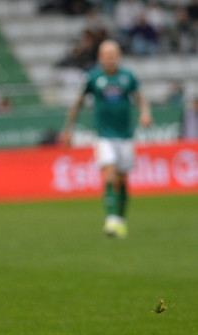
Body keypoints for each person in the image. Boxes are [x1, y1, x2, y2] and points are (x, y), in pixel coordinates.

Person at [60, 40, 152, 238]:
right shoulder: (93, 78)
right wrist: (68, 128)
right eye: (106, 54)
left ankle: (120, 219)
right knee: (109, 174)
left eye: (113, 54)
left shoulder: (128, 77)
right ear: (100, 57)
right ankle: (111, 221)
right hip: (104, 136)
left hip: (126, 135)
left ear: (118, 56)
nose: (110, 58)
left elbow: (140, 97)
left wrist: (145, 113)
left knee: (122, 178)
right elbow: (78, 102)